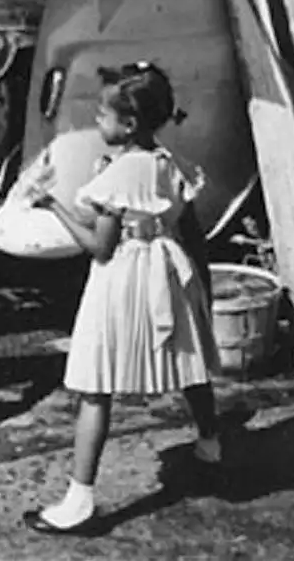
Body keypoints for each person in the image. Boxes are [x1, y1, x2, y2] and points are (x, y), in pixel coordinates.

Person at [24, 62, 219, 535]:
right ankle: (211, 446)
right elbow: (190, 229)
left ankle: (79, 500)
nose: (96, 120)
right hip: (167, 270)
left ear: (128, 124)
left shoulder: (120, 175)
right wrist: (203, 290)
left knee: (96, 385)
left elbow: (100, 246)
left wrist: (50, 204)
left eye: (102, 114)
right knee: (189, 363)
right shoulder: (166, 161)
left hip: (123, 280)